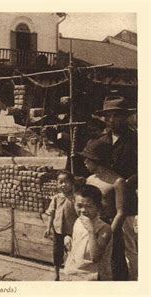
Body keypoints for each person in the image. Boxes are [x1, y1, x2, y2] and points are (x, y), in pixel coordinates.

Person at [96, 95, 138, 280]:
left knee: (129, 243)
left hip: (127, 200)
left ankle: (136, 281)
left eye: (116, 116)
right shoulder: (102, 140)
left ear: (125, 117)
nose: (111, 120)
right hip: (106, 202)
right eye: (108, 116)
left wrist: (129, 182)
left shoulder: (135, 139)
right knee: (110, 242)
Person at [78, 139, 128, 280]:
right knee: (93, 266)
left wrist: (108, 234)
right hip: (93, 227)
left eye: (88, 159)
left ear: (97, 160)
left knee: (114, 266)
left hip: (110, 228)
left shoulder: (117, 182)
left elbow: (121, 212)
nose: (85, 163)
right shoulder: (90, 180)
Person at [64, 185, 112, 281]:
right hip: (74, 273)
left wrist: (91, 230)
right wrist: (68, 239)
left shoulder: (104, 228)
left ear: (98, 208)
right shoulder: (78, 221)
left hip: (92, 277)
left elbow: (95, 257)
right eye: (79, 206)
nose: (83, 210)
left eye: (89, 206)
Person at [44, 170, 78, 281]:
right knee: (57, 253)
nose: (63, 185)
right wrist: (48, 227)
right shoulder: (56, 198)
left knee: (71, 251)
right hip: (58, 230)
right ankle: (56, 274)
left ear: (72, 183)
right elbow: (51, 213)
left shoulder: (75, 198)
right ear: (57, 184)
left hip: (71, 231)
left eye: (66, 182)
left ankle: (71, 273)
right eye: (60, 182)